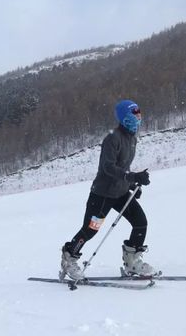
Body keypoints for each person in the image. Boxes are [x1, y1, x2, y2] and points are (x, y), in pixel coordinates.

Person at [60, 100, 155, 280]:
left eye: (138, 115)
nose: (137, 119)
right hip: (102, 195)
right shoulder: (112, 139)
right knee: (90, 230)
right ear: (124, 118)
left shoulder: (132, 138)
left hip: (120, 193)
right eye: (133, 115)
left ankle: (132, 262)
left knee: (140, 222)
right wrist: (132, 177)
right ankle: (69, 257)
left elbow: (123, 166)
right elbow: (108, 167)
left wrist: (131, 185)